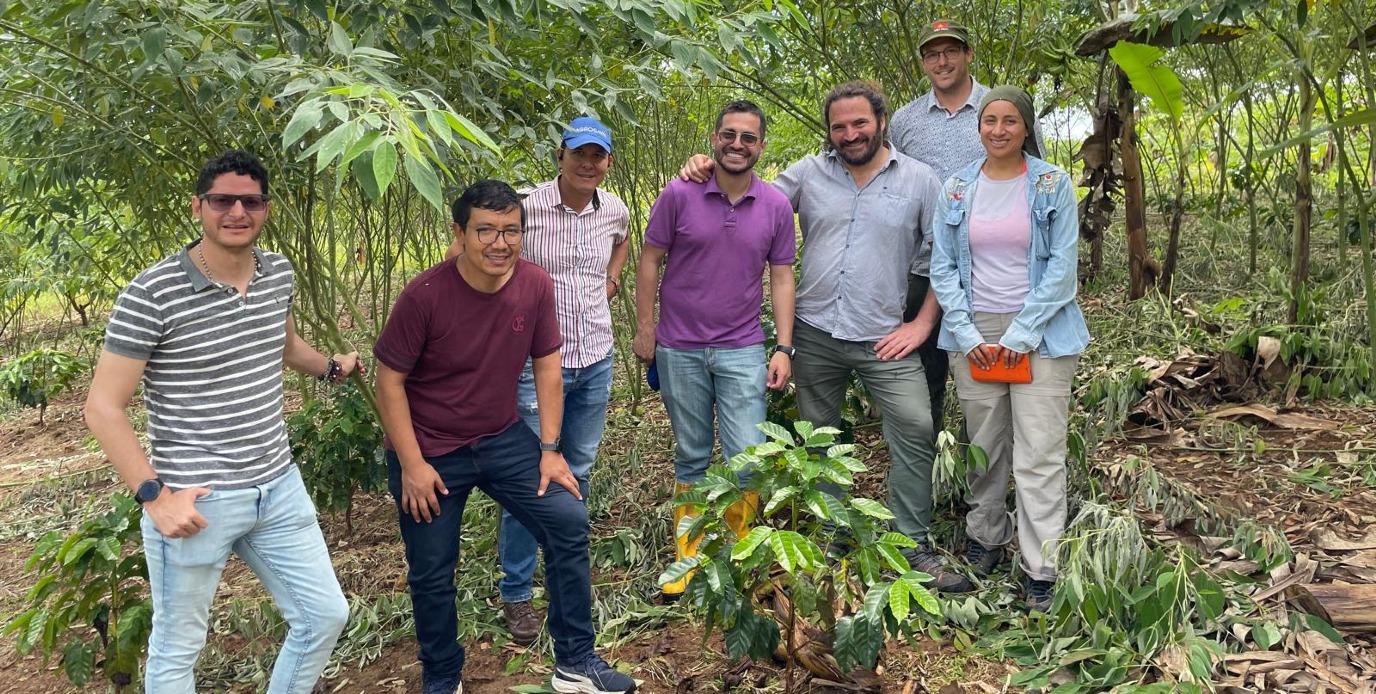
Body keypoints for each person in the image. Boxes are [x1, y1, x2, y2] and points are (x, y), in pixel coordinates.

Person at [84, 150, 360, 693]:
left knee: (324, 615)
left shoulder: (277, 271)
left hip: (278, 486)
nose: (237, 211)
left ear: (266, 209)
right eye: (222, 200)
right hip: (196, 499)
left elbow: (280, 344)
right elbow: (102, 406)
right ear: (198, 207)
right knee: (176, 652)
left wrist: (330, 368)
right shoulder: (151, 292)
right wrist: (155, 496)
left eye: (250, 200)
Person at [679, 81, 971, 592]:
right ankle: (834, 531)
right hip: (814, 333)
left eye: (859, 123)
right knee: (818, 440)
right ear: (829, 132)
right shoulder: (808, 174)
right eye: (839, 126)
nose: (850, 134)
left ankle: (910, 542)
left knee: (916, 427)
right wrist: (707, 165)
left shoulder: (922, 180)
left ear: (881, 121)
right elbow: (752, 196)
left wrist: (923, 324)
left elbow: (949, 256)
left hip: (885, 336)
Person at [374, 180, 635, 694]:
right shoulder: (425, 295)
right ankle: (443, 677)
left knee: (567, 521)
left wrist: (550, 449)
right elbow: (388, 381)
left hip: (501, 438)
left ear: (524, 232)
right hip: (429, 450)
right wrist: (412, 464)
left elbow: (547, 368)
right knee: (431, 571)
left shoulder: (535, 284)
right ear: (460, 232)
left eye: (511, 231)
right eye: (486, 231)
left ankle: (576, 660)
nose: (499, 243)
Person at [928, 87, 1089, 612]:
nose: (998, 130)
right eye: (989, 120)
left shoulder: (1051, 183)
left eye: (1010, 121)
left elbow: (1063, 271)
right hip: (973, 333)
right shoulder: (955, 188)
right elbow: (944, 267)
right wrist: (972, 335)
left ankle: (1041, 566)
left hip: (1040, 332)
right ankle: (985, 538)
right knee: (985, 444)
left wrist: (1017, 338)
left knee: (1039, 451)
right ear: (979, 128)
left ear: (1026, 127)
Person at [632, 100, 797, 599]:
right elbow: (649, 260)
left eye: (749, 137)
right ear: (714, 138)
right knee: (693, 454)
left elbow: (783, 275)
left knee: (748, 457)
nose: (738, 144)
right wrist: (646, 328)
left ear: (761, 146)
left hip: (743, 347)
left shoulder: (774, 205)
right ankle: (691, 559)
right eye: (730, 135)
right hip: (679, 347)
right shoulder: (679, 193)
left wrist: (784, 346)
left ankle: (739, 552)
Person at [498, 116, 629, 645]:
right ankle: (516, 590)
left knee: (579, 469)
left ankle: (566, 571)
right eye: (579, 153)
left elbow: (622, 241)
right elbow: (477, 254)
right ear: (560, 156)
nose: (587, 164)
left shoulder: (614, 209)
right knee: (530, 476)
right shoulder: (525, 209)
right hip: (536, 366)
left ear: (608, 163)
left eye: (597, 156)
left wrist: (612, 280)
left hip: (596, 356)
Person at [889, 20, 1047, 438]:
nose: (942, 62)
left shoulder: (1000, 110)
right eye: (932, 54)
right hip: (924, 270)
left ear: (968, 54)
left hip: (994, 273)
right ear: (923, 62)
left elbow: (1038, 183)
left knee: (991, 383)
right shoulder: (905, 121)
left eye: (951, 51)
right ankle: (929, 480)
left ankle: (985, 480)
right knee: (925, 383)